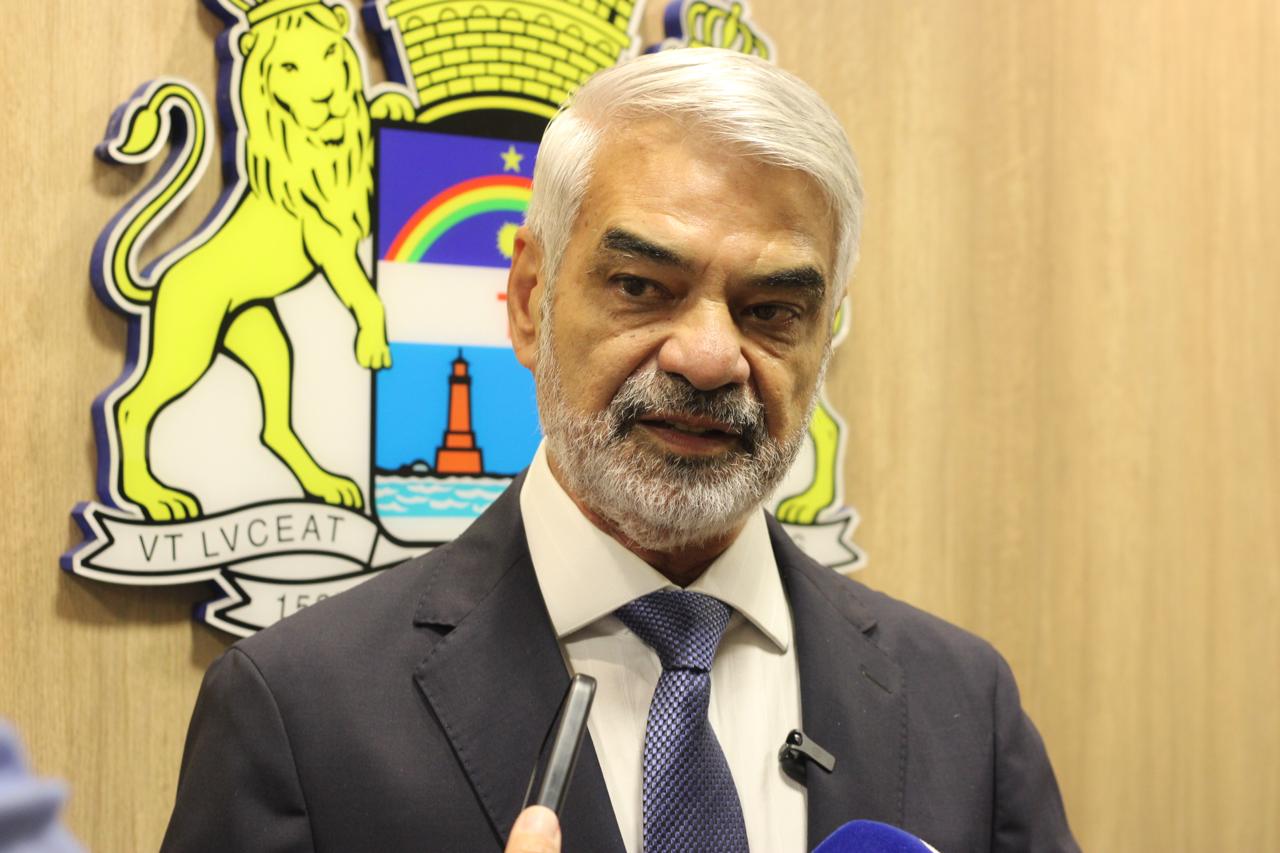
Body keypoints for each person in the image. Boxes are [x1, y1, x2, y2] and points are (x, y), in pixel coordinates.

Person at [161, 48, 1079, 853]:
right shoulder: (301, 714)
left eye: (772, 310)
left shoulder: (966, 706)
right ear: (530, 302)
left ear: (824, 335)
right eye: (642, 286)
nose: (710, 358)